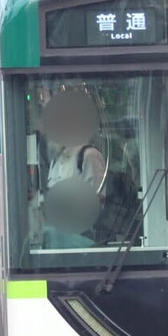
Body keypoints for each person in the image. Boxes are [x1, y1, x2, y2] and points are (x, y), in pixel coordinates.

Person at [37, 89, 107, 247]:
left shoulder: (88, 156)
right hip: (56, 232)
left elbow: (99, 199)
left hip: (81, 235)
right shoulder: (56, 160)